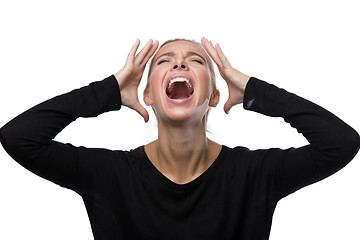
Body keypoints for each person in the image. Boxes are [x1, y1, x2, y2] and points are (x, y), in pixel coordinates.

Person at [0, 37, 359, 240]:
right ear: (149, 96)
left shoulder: (254, 174)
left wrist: (254, 91)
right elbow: (18, 138)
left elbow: (341, 143)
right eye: (165, 61)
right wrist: (107, 91)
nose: (179, 65)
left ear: (215, 96)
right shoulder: (108, 176)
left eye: (195, 61)